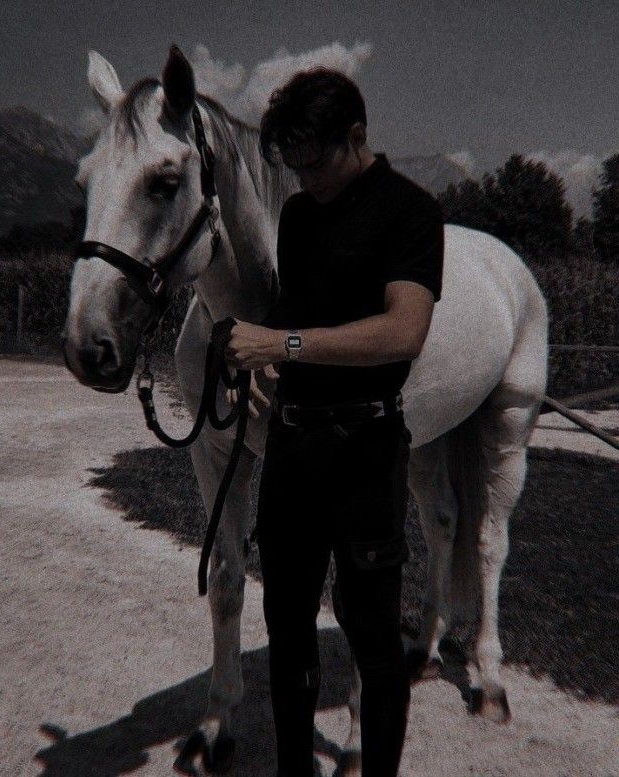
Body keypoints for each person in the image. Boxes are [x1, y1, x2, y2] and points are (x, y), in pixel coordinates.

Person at [225, 66, 444, 777]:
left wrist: (279, 344)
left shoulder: (410, 213)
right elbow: (298, 309)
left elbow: (402, 332)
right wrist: (254, 356)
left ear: (358, 136)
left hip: (366, 452)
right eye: (291, 165)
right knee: (287, 633)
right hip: (293, 451)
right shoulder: (297, 216)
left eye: (314, 163)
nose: (304, 179)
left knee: (374, 642)